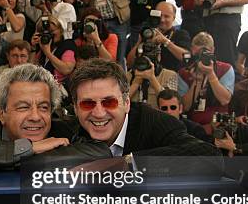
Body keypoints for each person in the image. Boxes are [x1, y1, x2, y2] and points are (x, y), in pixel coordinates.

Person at [0, 64, 95, 172]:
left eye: (43, 107)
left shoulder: (61, 123)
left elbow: (100, 151)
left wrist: (33, 157)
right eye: (23, 107)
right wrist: (29, 148)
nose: (35, 116)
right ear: (1, 113)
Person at [69, 58, 219, 157]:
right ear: (75, 108)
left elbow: (209, 155)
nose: (99, 113)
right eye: (87, 104)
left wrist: (127, 164)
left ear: (127, 103)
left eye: (109, 102)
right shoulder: (68, 133)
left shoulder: (155, 122)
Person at [178, 32, 234, 133]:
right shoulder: (184, 72)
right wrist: (197, 81)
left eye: (204, 52)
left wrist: (211, 74)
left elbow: (225, 100)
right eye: (198, 53)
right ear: (192, 50)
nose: (201, 56)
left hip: (218, 125)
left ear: (212, 50)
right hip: (192, 126)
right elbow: (185, 107)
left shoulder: (225, 69)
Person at [126, 2, 190, 72]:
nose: (162, 20)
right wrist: (139, 43)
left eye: (166, 16)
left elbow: (187, 57)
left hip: (167, 77)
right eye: (159, 16)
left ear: (173, 18)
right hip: (143, 73)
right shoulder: (146, 32)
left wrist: (166, 42)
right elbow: (129, 63)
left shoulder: (180, 34)